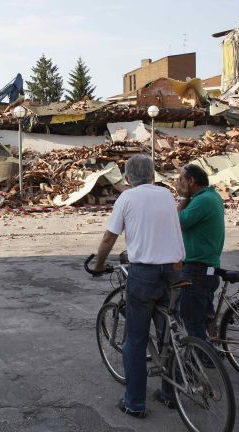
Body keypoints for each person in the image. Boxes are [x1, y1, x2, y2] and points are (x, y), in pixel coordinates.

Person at [93, 154, 185, 418]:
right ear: (153, 175)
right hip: (175, 271)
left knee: (135, 340)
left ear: (128, 178)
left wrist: (99, 264)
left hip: (144, 274)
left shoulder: (127, 198)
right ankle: (171, 394)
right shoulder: (167, 195)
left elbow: (110, 237)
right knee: (170, 335)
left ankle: (134, 403)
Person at [175, 164, 225, 343]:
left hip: (197, 267)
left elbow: (179, 221)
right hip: (207, 266)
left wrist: (182, 197)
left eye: (181, 180)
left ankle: (200, 358)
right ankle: (210, 354)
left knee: (192, 318)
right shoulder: (209, 196)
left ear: (191, 181)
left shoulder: (202, 200)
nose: (177, 183)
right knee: (203, 315)